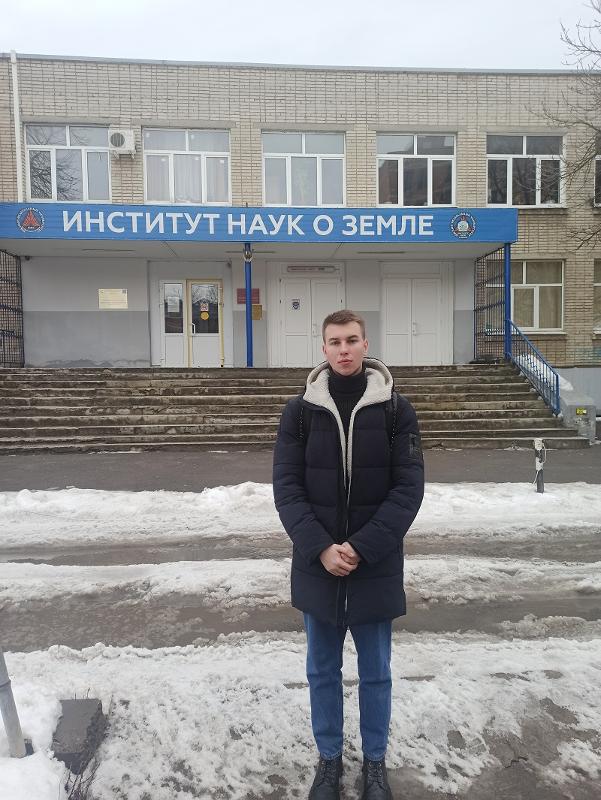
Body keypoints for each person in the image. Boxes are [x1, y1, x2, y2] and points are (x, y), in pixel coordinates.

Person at [273, 309, 425, 800]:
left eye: (352, 340)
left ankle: (375, 764)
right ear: (324, 348)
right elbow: (287, 490)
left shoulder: (397, 411)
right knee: (322, 672)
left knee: (376, 673)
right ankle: (329, 760)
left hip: (374, 565)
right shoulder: (299, 413)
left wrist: (361, 547)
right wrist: (320, 548)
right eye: (335, 341)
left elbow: (408, 490)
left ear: (365, 344)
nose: (344, 349)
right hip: (317, 566)